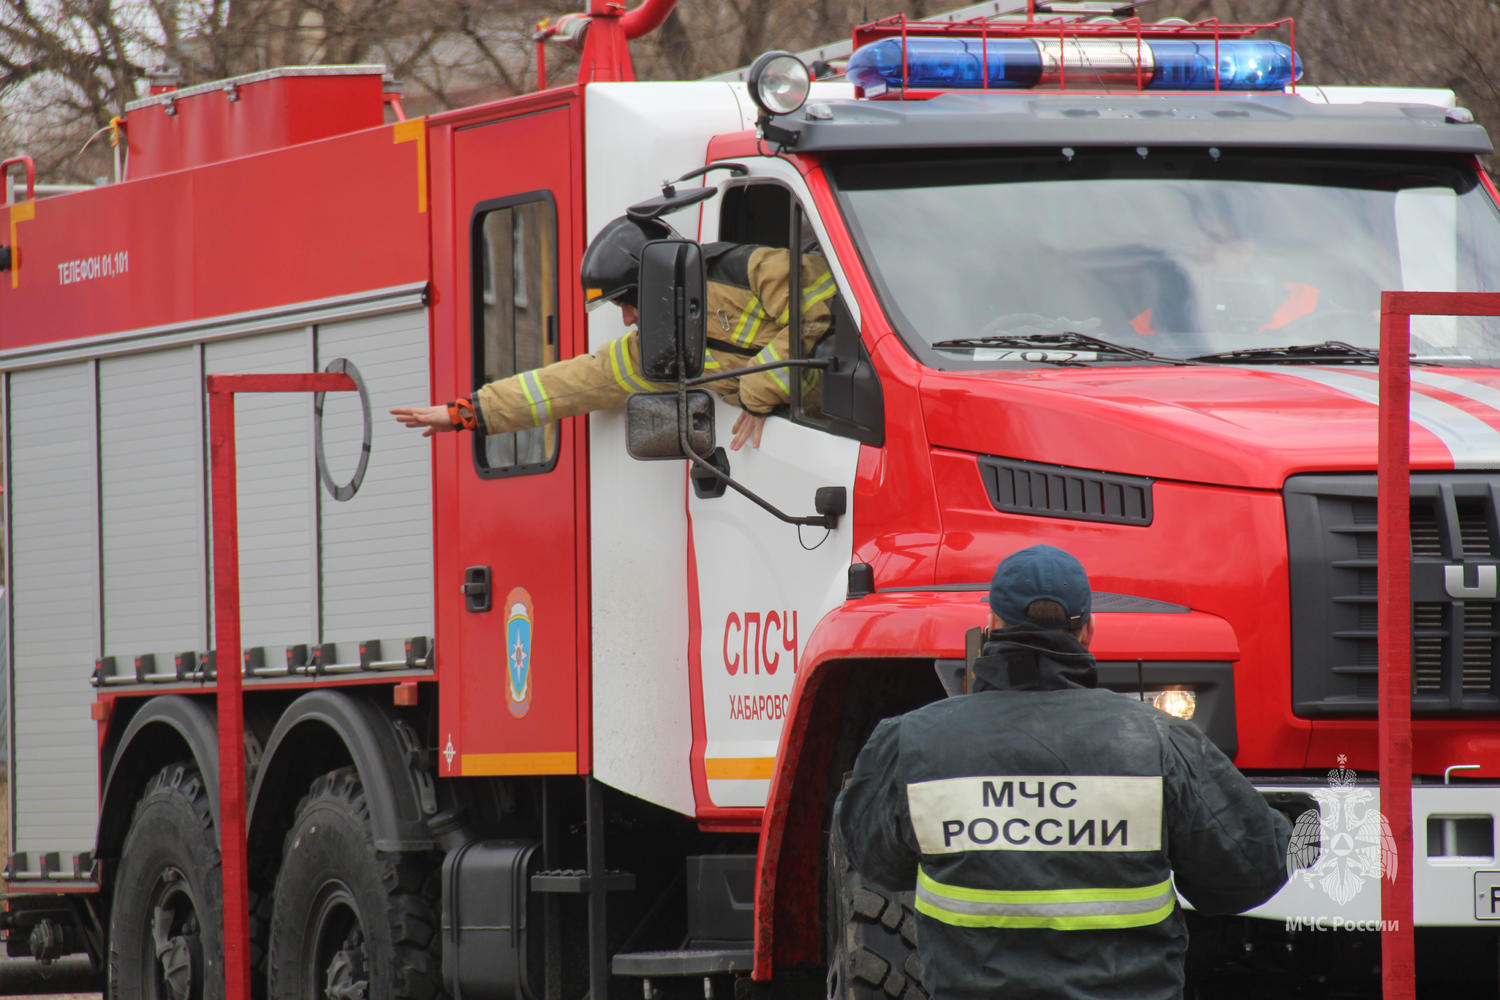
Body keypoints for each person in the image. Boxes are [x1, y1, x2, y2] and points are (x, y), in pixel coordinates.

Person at [833, 544, 1291, 1000]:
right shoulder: (1159, 743)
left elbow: (873, 859)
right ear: (1087, 631)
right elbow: (1249, 872)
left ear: (991, 626)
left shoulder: (910, 743)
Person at [392, 215, 837, 451]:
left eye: (627, 302)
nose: (626, 319)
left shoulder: (756, 268)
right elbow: (568, 384)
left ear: (660, 282)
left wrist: (757, 393)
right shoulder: (658, 349)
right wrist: (468, 412)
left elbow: (819, 313)